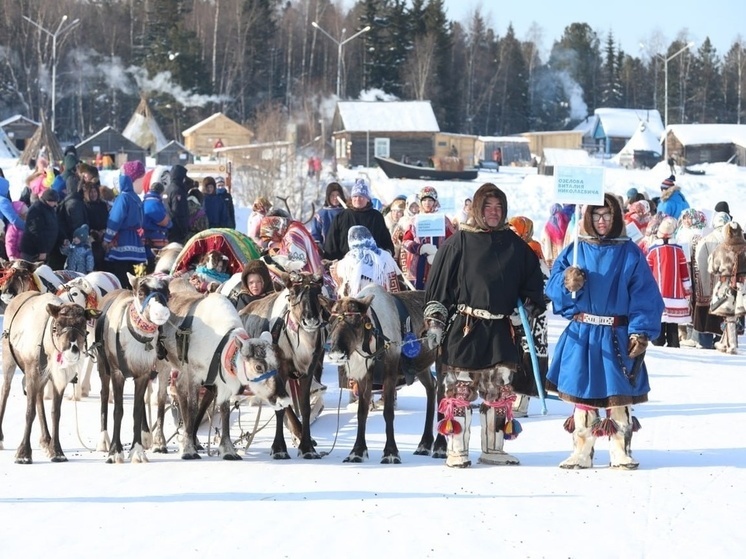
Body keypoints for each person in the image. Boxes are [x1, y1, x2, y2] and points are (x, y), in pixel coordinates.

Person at [423, 182, 546, 468]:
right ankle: (457, 449)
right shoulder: (459, 242)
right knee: (460, 391)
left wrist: (525, 311)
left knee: (498, 391)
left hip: (502, 331)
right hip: (465, 329)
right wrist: (435, 323)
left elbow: (534, 285)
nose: (493, 212)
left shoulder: (515, 245)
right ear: (478, 209)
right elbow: (438, 287)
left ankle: (493, 449)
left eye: (498, 207)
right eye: (488, 207)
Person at [545, 193, 664, 470]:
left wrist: (640, 331)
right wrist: (567, 283)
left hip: (617, 334)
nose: (602, 221)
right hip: (583, 333)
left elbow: (645, 294)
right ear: (588, 217)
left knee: (617, 396)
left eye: (607, 215)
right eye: (597, 215)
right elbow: (553, 289)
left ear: (616, 218)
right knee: (582, 395)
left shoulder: (630, 252)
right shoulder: (576, 249)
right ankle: (581, 451)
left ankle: (620, 450)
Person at [646, 216, 691, 348]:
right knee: (673, 323)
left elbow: (647, 274)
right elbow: (684, 273)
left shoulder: (653, 251)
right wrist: (687, 290)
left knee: (660, 320)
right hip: (675, 294)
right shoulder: (679, 251)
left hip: (657, 292)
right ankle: (673, 342)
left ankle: (659, 341)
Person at [323, 179, 395, 261]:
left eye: (361, 196)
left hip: (373, 264)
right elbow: (332, 243)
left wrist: (387, 254)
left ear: (367, 199)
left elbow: (386, 241)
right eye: (355, 196)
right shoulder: (342, 217)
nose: (357, 199)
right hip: (346, 264)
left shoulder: (376, 216)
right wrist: (331, 262)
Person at [103, 161, 147, 288]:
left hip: (122, 244)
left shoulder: (123, 198)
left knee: (121, 278)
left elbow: (115, 220)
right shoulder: (137, 199)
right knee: (136, 277)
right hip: (137, 245)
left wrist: (107, 239)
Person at [402, 186, 454, 290]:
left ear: (435, 202)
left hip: (439, 263)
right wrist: (420, 248)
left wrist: (440, 254)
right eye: (424, 200)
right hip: (418, 266)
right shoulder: (414, 221)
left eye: (430, 200)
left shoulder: (443, 220)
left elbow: (453, 241)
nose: (427, 203)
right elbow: (405, 241)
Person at [693, 211, 732, 349]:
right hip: (726, 286)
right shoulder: (733, 240)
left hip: (707, 286)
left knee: (706, 309)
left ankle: (705, 340)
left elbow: (699, 262)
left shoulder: (705, 240)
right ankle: (724, 340)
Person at [331, 225, 402, 298]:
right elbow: (394, 281)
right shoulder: (385, 256)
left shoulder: (345, 262)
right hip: (385, 300)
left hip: (358, 304)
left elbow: (341, 289)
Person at [708, 221, 746, 354]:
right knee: (733, 316)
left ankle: (732, 345)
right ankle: (724, 342)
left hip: (726, 285)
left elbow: (712, 268)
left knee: (729, 316)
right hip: (743, 286)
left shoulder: (720, 248)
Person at [20, 188, 59, 262]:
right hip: (33, 251)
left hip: (45, 249)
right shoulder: (36, 209)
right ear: (48, 200)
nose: (56, 204)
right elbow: (35, 231)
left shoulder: (49, 208)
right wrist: (42, 250)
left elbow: (55, 225)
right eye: (54, 202)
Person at [81, 172, 109, 271]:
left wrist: (103, 231)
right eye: (91, 192)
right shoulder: (84, 206)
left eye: (95, 192)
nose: (93, 194)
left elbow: (107, 219)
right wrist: (92, 232)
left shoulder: (102, 205)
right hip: (91, 238)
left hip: (103, 236)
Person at [142, 182, 172, 272]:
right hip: (155, 239)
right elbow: (164, 221)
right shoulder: (154, 203)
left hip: (148, 238)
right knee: (154, 265)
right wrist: (170, 223)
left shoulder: (146, 201)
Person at [310, 181, 346, 249]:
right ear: (328, 196)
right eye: (332, 195)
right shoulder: (320, 215)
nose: (335, 198)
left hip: (347, 253)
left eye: (338, 195)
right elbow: (315, 235)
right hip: (327, 253)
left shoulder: (348, 213)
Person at [540, 203, 571, 268]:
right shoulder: (567, 221)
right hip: (565, 256)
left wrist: (547, 257)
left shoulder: (548, 225)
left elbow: (543, 240)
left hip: (551, 259)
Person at [166, 164, 190, 244]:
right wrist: (184, 230)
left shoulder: (170, 188)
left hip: (171, 228)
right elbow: (178, 212)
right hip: (177, 231)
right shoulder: (177, 190)